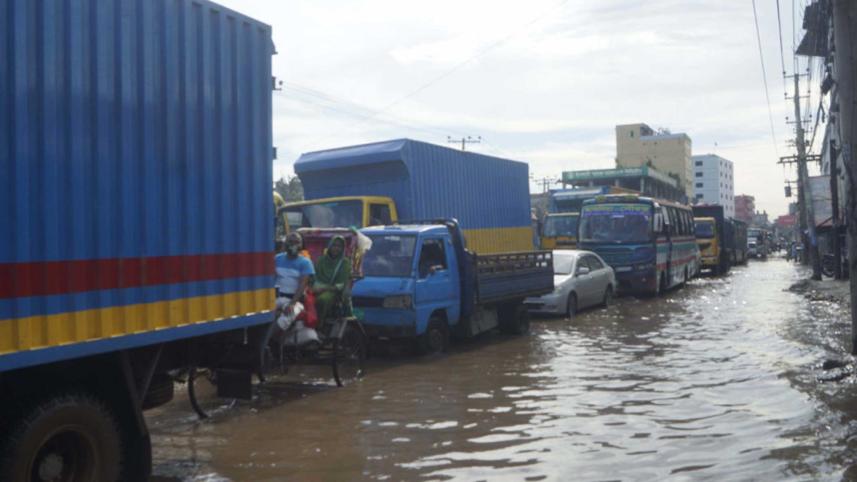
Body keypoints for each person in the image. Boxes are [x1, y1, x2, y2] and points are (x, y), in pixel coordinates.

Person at [313, 235, 352, 323]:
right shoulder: (321, 260)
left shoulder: (345, 263)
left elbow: (340, 285)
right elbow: (313, 277)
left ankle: (318, 326)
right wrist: (314, 287)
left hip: (333, 292)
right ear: (329, 246)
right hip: (316, 289)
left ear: (342, 248)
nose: (336, 248)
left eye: (339, 246)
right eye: (334, 245)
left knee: (322, 300)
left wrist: (323, 288)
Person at [275, 232, 315, 312]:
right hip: (278, 298)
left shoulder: (305, 262)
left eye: (297, 242)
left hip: (295, 300)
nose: (293, 245)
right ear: (285, 243)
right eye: (290, 242)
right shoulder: (277, 259)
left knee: (286, 318)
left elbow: (302, 286)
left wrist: (292, 304)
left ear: (301, 245)